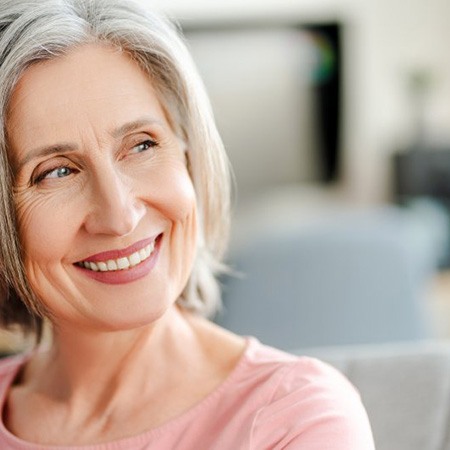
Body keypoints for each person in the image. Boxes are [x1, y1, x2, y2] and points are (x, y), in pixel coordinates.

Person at [0, 0, 375, 448]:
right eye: (56, 172)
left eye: (141, 145)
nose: (119, 216)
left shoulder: (296, 418)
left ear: (190, 158)